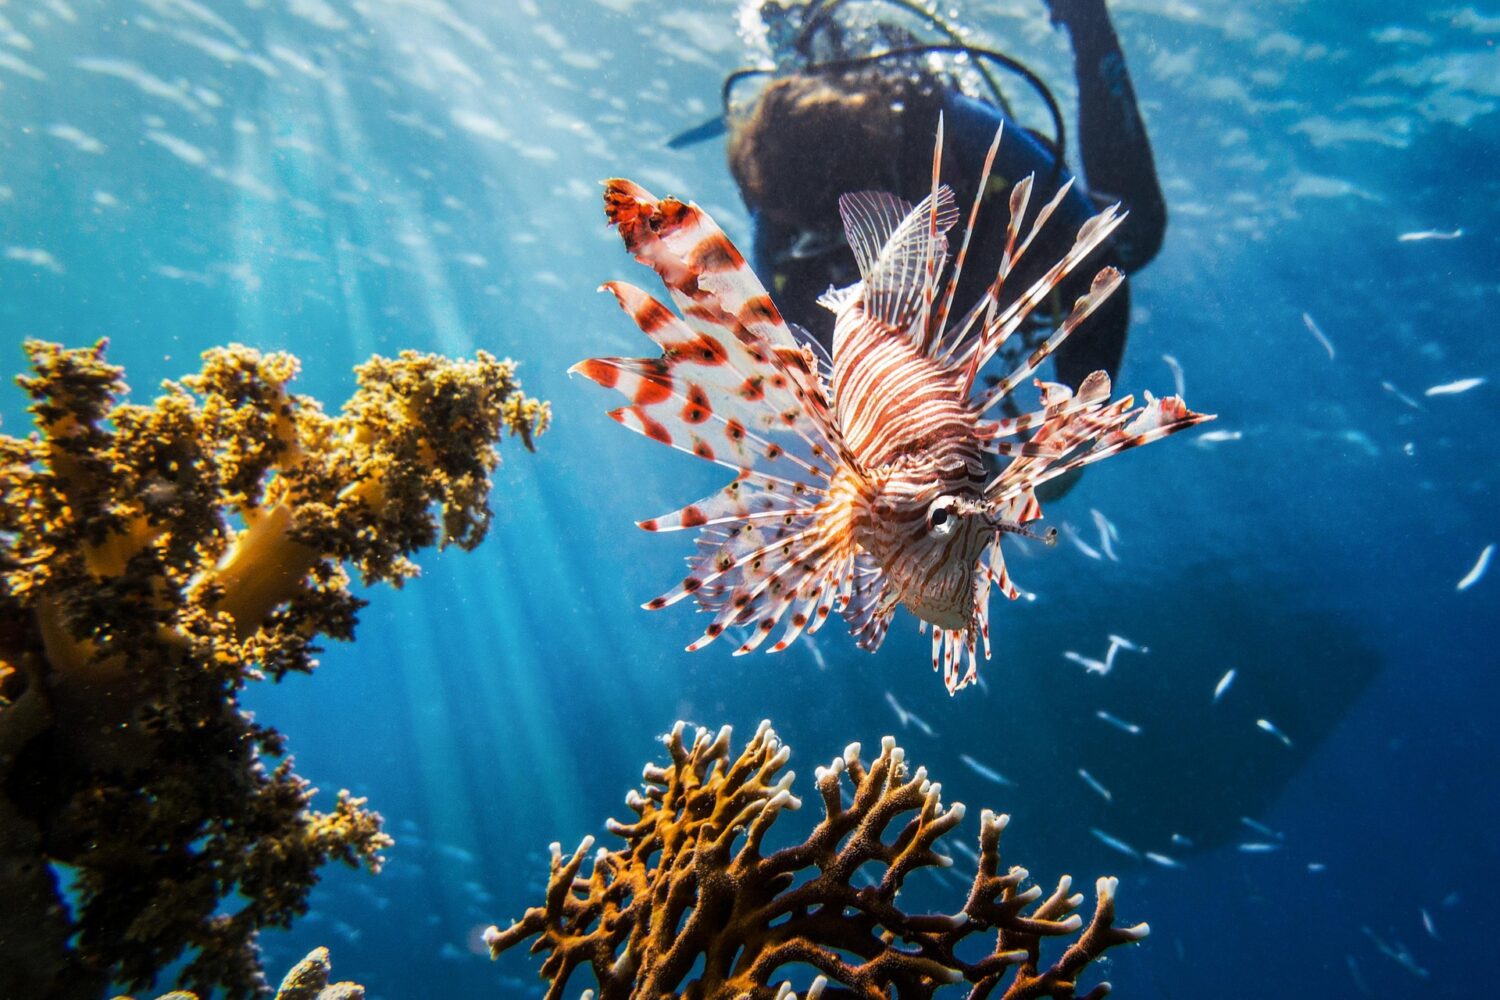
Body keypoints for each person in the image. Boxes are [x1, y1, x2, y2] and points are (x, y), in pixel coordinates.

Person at [712, 0, 1165, 403]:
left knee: (1135, 234)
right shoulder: (781, 225)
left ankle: (1086, 20)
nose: (852, 254)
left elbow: (1094, 256)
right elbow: (791, 380)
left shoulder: (951, 129)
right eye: (816, 235)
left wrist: (1070, 426)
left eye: (841, 228)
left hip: (988, 240)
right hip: (937, 326)